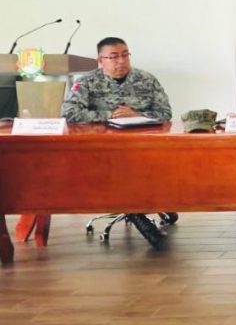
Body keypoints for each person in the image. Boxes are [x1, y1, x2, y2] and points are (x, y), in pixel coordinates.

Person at [55, 36, 173, 248]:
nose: (121, 61)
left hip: (143, 147)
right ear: (100, 60)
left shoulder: (146, 79)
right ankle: (138, 216)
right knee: (121, 170)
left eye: (125, 55)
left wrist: (137, 114)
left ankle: (149, 204)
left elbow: (165, 113)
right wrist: (110, 115)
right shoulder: (87, 82)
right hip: (102, 150)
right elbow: (70, 113)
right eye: (114, 57)